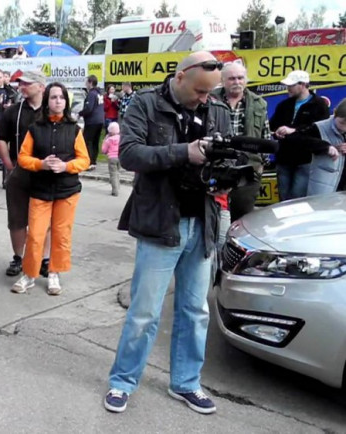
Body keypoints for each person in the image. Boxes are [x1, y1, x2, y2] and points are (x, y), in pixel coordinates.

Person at [105, 52, 231, 415]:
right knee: (144, 312)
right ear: (180, 77)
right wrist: (183, 153)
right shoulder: (145, 103)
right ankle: (122, 381)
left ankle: (187, 383)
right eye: (200, 91)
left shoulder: (217, 108)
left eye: (211, 92)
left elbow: (227, 153)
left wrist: (228, 167)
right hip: (161, 221)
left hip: (203, 220)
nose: (205, 99)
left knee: (196, 310)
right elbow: (129, 155)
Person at [13, 82, 90, 296]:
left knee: (61, 234)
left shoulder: (74, 129)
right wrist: (41, 164)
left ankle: (54, 272)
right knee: (36, 235)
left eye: (61, 97)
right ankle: (29, 274)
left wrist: (66, 166)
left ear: (66, 102)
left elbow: (84, 160)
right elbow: (23, 158)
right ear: (47, 101)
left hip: (67, 191)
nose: (58, 101)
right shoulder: (35, 128)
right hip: (40, 190)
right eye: (54, 97)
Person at [0, 71, 51, 278]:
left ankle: (44, 259)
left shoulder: (51, 111)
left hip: (45, 175)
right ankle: (18, 257)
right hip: (19, 173)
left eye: (27, 83)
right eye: (21, 83)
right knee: (17, 219)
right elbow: (1, 137)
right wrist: (9, 164)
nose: (22, 87)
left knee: (44, 220)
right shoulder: (14, 112)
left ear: (40, 87)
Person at [210, 63, 270, 221]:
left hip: (248, 169)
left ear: (246, 80)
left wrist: (261, 165)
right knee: (213, 215)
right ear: (223, 80)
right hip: (216, 166)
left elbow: (265, 135)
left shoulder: (259, 103)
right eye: (231, 78)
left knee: (242, 217)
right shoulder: (210, 99)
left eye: (240, 78)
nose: (236, 81)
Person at [270, 70, 330, 201]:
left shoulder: (319, 105)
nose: (288, 89)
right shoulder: (284, 105)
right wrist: (277, 132)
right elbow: (273, 124)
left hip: (305, 159)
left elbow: (319, 129)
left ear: (303, 85)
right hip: (283, 158)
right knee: (283, 197)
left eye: (291, 85)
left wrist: (294, 130)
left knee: (298, 198)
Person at [284, 98, 346, 196]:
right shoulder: (319, 127)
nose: (344, 128)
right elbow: (294, 139)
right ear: (334, 113)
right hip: (324, 186)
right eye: (342, 123)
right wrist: (324, 146)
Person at [80, 75, 105, 170]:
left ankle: (89, 162)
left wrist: (80, 113)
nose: (86, 84)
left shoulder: (91, 94)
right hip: (100, 120)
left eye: (86, 82)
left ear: (90, 83)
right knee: (95, 142)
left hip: (92, 121)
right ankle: (94, 161)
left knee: (87, 141)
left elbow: (89, 108)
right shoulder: (99, 93)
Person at [101, 122, 121, 196]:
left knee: (113, 174)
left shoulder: (108, 140)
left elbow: (103, 150)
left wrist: (104, 140)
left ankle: (115, 190)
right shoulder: (121, 138)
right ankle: (118, 186)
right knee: (117, 172)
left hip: (112, 158)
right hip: (120, 157)